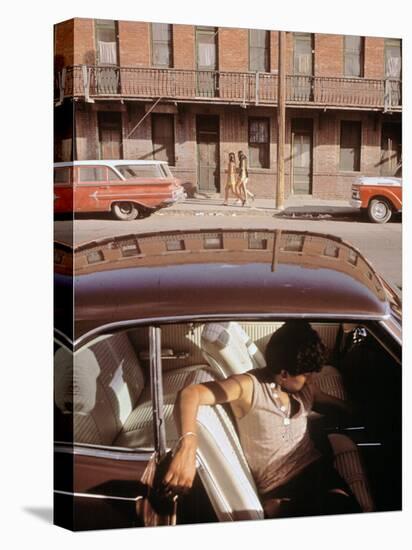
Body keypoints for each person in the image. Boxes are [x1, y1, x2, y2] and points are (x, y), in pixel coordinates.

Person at [162, 321, 361, 518]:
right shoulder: (249, 387)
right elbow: (190, 394)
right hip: (280, 486)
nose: (311, 381)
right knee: (339, 511)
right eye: (307, 376)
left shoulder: (304, 388)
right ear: (284, 374)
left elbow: (326, 402)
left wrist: (361, 413)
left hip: (317, 469)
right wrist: (187, 447)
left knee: (349, 511)